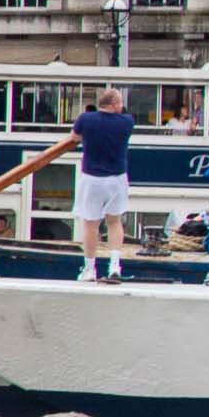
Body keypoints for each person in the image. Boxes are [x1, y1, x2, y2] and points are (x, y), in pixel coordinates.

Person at [68, 88, 135, 283]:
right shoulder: (127, 122)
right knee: (114, 222)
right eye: (120, 102)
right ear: (114, 105)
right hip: (117, 179)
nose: (122, 105)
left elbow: (74, 137)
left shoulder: (86, 119)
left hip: (92, 179)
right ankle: (114, 267)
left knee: (90, 224)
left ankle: (89, 269)